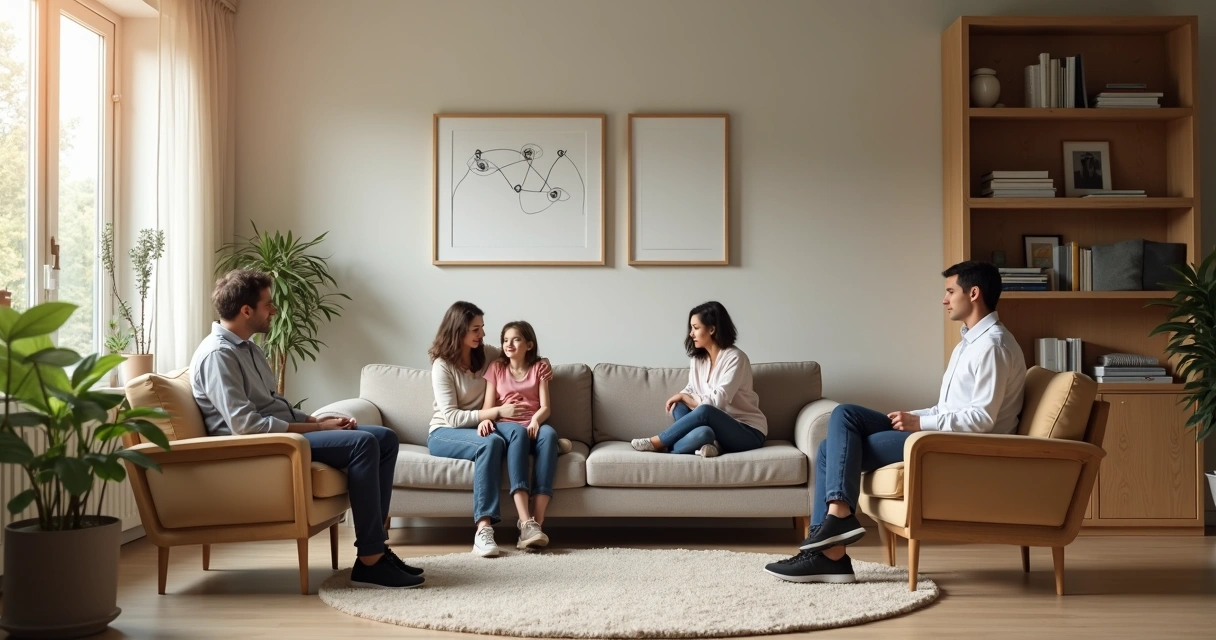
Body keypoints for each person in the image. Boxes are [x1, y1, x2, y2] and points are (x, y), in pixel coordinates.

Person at [764, 261, 1026, 583]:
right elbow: (949, 408)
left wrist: (920, 424)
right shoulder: (969, 343)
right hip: (938, 434)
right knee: (844, 415)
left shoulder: (993, 345)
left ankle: (831, 548)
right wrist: (916, 417)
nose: (944, 300)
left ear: (973, 293)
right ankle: (834, 533)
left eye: (949, 291)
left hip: (959, 446)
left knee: (833, 448)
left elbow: (982, 419)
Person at [191, 270, 423, 589]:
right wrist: (310, 427)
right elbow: (246, 426)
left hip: (281, 435)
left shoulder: (247, 347)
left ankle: (376, 550)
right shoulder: (219, 355)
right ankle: (370, 561)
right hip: (260, 447)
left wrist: (316, 421)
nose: (273, 310)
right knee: (363, 444)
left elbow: (273, 404)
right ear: (246, 311)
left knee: (384, 438)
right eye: (267, 304)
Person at [426, 301, 517, 557]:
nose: (482, 334)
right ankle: (483, 530)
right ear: (458, 331)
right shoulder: (442, 365)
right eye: (476, 329)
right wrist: (495, 412)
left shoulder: (487, 354)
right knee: (492, 443)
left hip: (479, 428)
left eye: (482, 327)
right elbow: (453, 417)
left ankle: (549, 444)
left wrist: (540, 365)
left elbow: (516, 354)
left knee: (510, 435)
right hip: (443, 433)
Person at [630, 301, 768, 458]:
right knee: (700, 428)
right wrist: (682, 396)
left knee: (705, 410)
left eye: (695, 328)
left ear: (712, 329)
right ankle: (706, 444)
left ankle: (659, 442)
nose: (691, 333)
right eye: (691, 328)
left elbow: (717, 402)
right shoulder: (698, 360)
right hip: (714, 431)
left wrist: (686, 397)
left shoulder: (736, 358)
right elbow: (692, 388)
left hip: (746, 431)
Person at [479, 320, 565, 550]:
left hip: (532, 422)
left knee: (549, 435)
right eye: (506, 340)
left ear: (529, 344)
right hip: (507, 425)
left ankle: (534, 523)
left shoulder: (539, 368)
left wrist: (536, 420)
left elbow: (545, 406)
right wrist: (486, 419)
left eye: (516, 339)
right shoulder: (496, 368)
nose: (509, 344)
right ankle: (524, 518)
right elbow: (488, 406)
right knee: (518, 432)